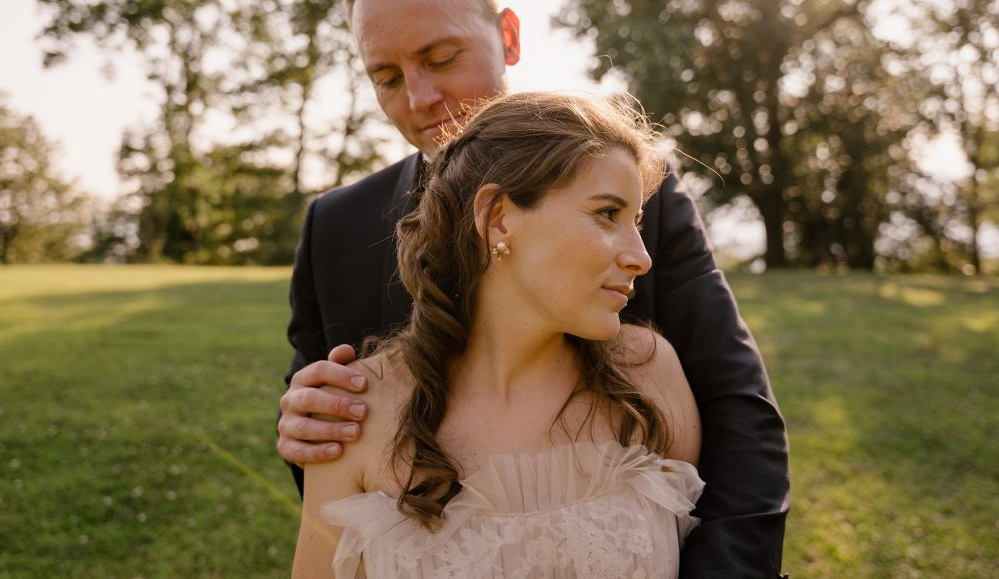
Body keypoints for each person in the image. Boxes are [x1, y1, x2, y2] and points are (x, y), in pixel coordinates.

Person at [279, 0, 790, 577]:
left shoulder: (640, 194)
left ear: (509, 38)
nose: (418, 98)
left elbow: (737, 404)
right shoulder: (337, 226)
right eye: (386, 76)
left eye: (440, 57)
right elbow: (322, 427)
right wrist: (304, 420)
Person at [292, 91, 705, 578]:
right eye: (607, 214)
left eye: (635, 221)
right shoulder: (358, 411)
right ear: (498, 217)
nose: (641, 256)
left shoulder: (649, 374)